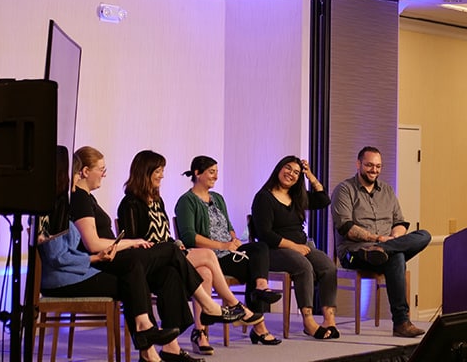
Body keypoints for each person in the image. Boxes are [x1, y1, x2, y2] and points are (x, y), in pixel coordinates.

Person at [71, 146, 242, 362]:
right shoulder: (88, 200)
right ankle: (209, 306)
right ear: (86, 171)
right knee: (183, 254)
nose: (104, 175)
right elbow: (94, 244)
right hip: (116, 261)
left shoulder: (89, 199)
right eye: (101, 170)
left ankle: (169, 348)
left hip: (130, 258)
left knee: (170, 273)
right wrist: (133, 241)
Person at [118, 150, 278, 354]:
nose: (162, 175)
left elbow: (164, 234)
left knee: (207, 272)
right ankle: (233, 305)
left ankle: (200, 333)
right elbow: (134, 242)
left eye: (162, 171)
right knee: (208, 256)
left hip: (168, 253)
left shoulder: (157, 200)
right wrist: (213, 246)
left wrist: (176, 244)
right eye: (158, 171)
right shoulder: (131, 203)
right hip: (151, 260)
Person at [174, 155, 283, 347]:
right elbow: (190, 237)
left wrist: (233, 239)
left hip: (230, 251)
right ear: (198, 173)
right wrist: (223, 246)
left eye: (217, 172)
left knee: (259, 250)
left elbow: (229, 226)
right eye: (211, 172)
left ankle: (260, 288)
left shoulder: (218, 198)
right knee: (252, 266)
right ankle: (259, 327)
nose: (216, 176)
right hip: (211, 256)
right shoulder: (186, 201)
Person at [38, 222, 181, 362]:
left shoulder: (62, 208)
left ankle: (147, 344)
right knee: (130, 279)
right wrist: (95, 258)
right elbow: (57, 257)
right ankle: (147, 346)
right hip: (62, 280)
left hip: (74, 272)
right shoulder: (55, 209)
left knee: (133, 275)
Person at [330, 146, 432, 338]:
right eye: (369, 165)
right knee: (397, 257)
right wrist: (376, 239)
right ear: (358, 164)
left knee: (424, 235)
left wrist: (393, 239)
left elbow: (400, 223)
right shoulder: (344, 190)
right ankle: (402, 322)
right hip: (355, 253)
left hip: (384, 249)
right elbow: (346, 228)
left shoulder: (387, 190)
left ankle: (384, 250)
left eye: (378, 166)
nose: (374, 170)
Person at [250, 155, 339, 339]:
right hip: (273, 250)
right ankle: (308, 321)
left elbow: (323, 200)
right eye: (288, 168)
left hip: (300, 246)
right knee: (303, 266)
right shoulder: (263, 197)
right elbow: (264, 234)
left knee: (328, 266)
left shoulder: (297, 196)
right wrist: (293, 246)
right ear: (279, 168)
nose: (291, 174)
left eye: (296, 172)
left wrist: (310, 176)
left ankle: (329, 319)